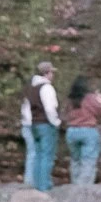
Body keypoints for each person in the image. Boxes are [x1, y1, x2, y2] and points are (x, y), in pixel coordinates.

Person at [20, 61, 60, 191]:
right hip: (45, 125)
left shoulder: (32, 88)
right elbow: (49, 108)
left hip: (34, 125)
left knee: (37, 155)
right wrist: (56, 122)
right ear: (46, 73)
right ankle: (44, 186)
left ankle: (36, 184)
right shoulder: (46, 87)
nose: (53, 75)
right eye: (51, 72)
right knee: (47, 156)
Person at [63, 77, 101, 186]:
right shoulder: (91, 98)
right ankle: (84, 187)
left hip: (71, 132)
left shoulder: (69, 100)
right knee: (88, 161)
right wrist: (100, 100)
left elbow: (64, 115)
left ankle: (75, 185)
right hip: (88, 131)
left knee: (75, 161)